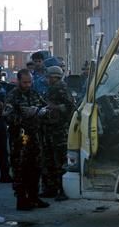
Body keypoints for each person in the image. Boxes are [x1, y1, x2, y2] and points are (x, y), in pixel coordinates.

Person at [4, 69, 48, 210]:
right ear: (18, 81)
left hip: (34, 136)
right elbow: (7, 116)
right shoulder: (13, 96)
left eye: (30, 82)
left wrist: (41, 111)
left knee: (36, 166)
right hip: (20, 137)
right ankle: (22, 199)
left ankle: (34, 197)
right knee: (20, 167)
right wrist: (25, 116)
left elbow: (43, 106)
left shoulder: (34, 93)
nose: (28, 85)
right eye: (25, 82)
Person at [40, 66, 76, 200]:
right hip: (50, 130)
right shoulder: (53, 88)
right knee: (49, 160)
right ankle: (51, 188)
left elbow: (70, 107)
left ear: (54, 77)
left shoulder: (62, 89)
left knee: (60, 161)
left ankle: (62, 190)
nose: (47, 79)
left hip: (59, 131)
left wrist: (55, 108)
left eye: (49, 77)